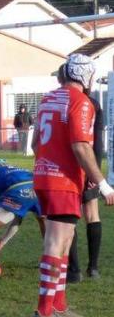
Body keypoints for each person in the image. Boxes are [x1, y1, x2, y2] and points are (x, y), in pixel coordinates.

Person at [31, 55, 114, 317]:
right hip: (62, 180)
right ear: (86, 76)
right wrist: (102, 183)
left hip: (45, 177)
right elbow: (81, 146)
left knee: (65, 242)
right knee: (56, 241)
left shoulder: (48, 99)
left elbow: (34, 143)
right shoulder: (81, 102)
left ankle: (58, 305)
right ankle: (44, 311)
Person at [67, 89, 105, 282]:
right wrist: (95, 170)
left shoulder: (65, 99)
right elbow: (98, 143)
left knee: (70, 218)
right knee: (91, 215)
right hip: (84, 165)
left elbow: (97, 142)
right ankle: (92, 267)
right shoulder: (93, 103)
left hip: (68, 168)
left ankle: (76, 269)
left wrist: (94, 172)